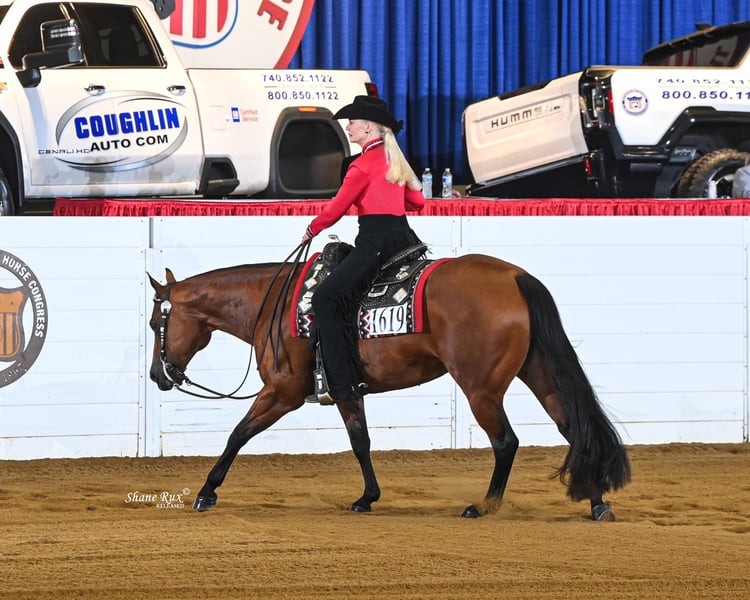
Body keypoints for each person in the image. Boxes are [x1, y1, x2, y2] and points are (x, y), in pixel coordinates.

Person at [301, 95, 426, 405]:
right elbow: (418, 202)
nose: (348, 127)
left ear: (369, 127)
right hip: (403, 239)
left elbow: (336, 209)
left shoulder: (361, 165)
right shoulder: (394, 160)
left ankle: (340, 384)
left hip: (375, 243)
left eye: (352, 122)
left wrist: (312, 229)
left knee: (325, 299)